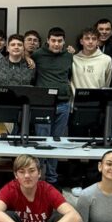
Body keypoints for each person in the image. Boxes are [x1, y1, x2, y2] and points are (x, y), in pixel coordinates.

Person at [31, 27, 74, 186]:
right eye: (53, 40)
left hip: (63, 104)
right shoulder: (37, 55)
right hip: (43, 104)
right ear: (48, 40)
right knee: (42, 143)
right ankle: (38, 180)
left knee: (56, 143)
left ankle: (52, 180)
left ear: (64, 42)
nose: (56, 44)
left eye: (59, 41)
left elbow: (70, 76)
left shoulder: (69, 56)